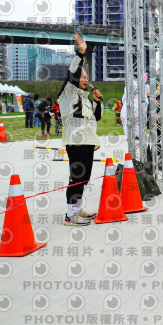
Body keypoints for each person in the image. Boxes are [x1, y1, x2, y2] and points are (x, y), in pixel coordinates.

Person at [58, 33, 102, 226]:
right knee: (76, 177)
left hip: (88, 142)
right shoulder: (68, 93)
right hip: (75, 142)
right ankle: (70, 215)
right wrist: (81, 53)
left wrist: (98, 102)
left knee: (84, 177)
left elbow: (97, 117)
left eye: (87, 77)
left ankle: (77, 209)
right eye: (83, 76)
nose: (85, 79)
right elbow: (73, 72)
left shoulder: (85, 98)